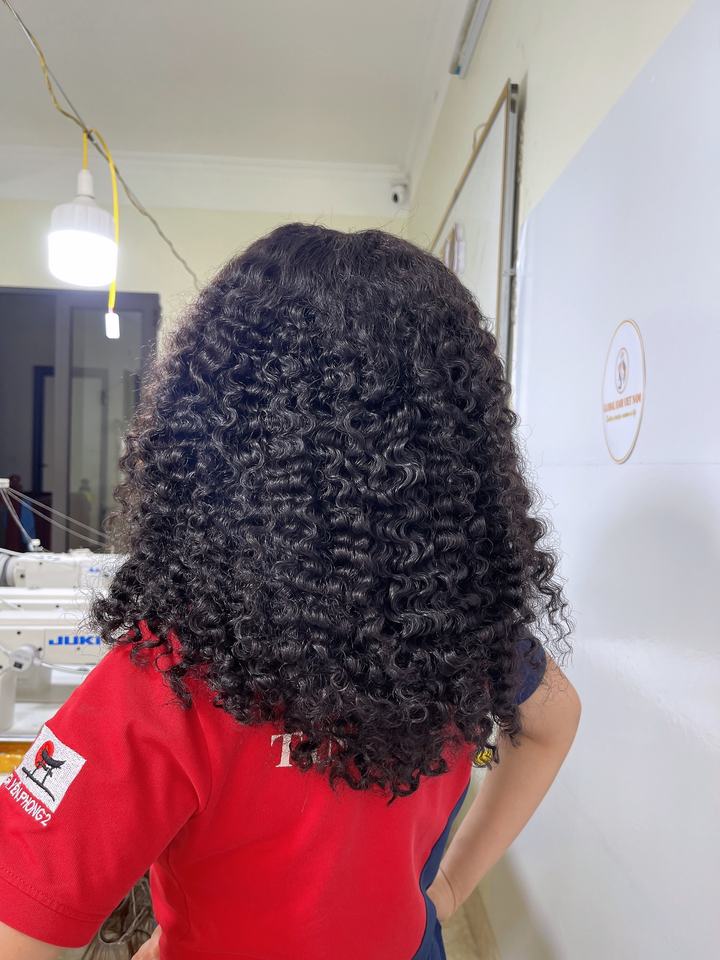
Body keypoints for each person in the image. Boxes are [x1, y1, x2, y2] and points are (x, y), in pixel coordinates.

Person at [0, 223, 580, 960]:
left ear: (217, 428)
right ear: (456, 446)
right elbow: (556, 721)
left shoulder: (172, 674)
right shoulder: (464, 631)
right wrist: (448, 890)